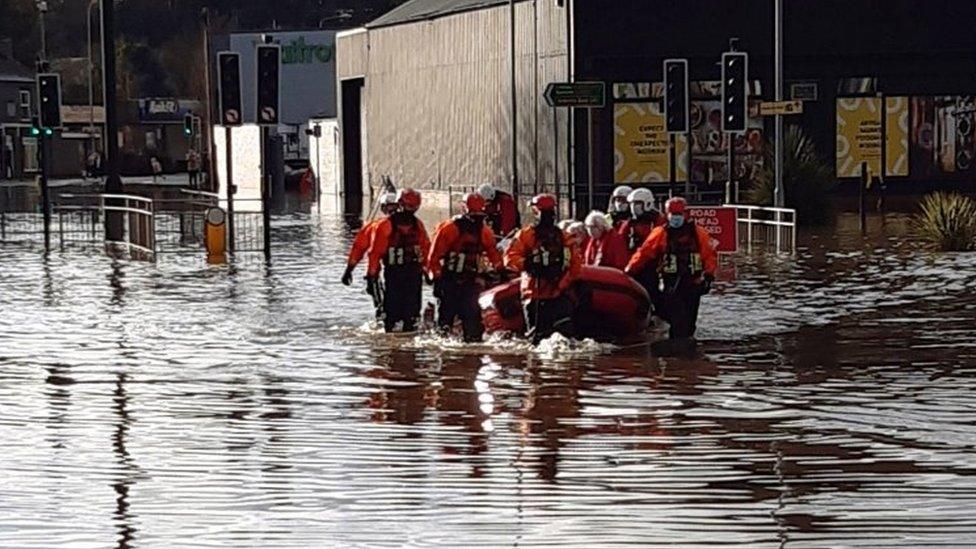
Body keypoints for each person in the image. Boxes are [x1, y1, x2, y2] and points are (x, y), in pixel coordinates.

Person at [625, 196, 717, 340]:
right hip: (671, 283)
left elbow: (709, 255)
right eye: (673, 215)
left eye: (679, 214)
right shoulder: (660, 233)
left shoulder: (698, 233)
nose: (676, 218)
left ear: (685, 214)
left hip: (693, 282)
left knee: (689, 322)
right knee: (677, 320)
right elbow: (644, 253)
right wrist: (630, 270)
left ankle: (685, 346)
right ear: (667, 215)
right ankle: (677, 350)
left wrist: (709, 275)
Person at [503, 194, 582, 344]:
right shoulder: (565, 237)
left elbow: (509, 258)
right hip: (558, 295)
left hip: (534, 294)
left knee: (537, 341)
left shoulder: (525, 235)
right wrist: (560, 286)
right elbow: (575, 268)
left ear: (534, 211)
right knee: (565, 339)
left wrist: (527, 265)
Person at [427, 193, 503, 342]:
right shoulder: (485, 231)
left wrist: (435, 278)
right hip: (468, 282)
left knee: (446, 322)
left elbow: (433, 258)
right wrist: (500, 272)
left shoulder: (449, 229)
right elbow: (495, 258)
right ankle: (471, 352)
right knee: (471, 322)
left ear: (463, 207)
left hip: (453, 281)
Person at [366, 188, 431, 333]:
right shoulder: (385, 226)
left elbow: (426, 249)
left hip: (413, 275)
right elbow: (375, 253)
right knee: (392, 315)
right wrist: (372, 276)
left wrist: (429, 271)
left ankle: (403, 347)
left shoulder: (417, 225)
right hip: (394, 275)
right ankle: (398, 348)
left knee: (412, 315)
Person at [342, 192, 399, 317]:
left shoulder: (375, 226)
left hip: (386, 272)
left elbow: (360, 249)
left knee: (383, 308)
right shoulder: (415, 225)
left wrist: (349, 271)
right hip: (409, 274)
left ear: (383, 208)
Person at [619, 187, 666, 310]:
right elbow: (620, 243)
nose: (634, 207)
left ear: (647, 203)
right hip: (634, 266)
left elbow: (653, 247)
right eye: (632, 204)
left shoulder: (658, 222)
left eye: (637, 203)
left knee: (653, 292)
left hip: (653, 266)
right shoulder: (629, 224)